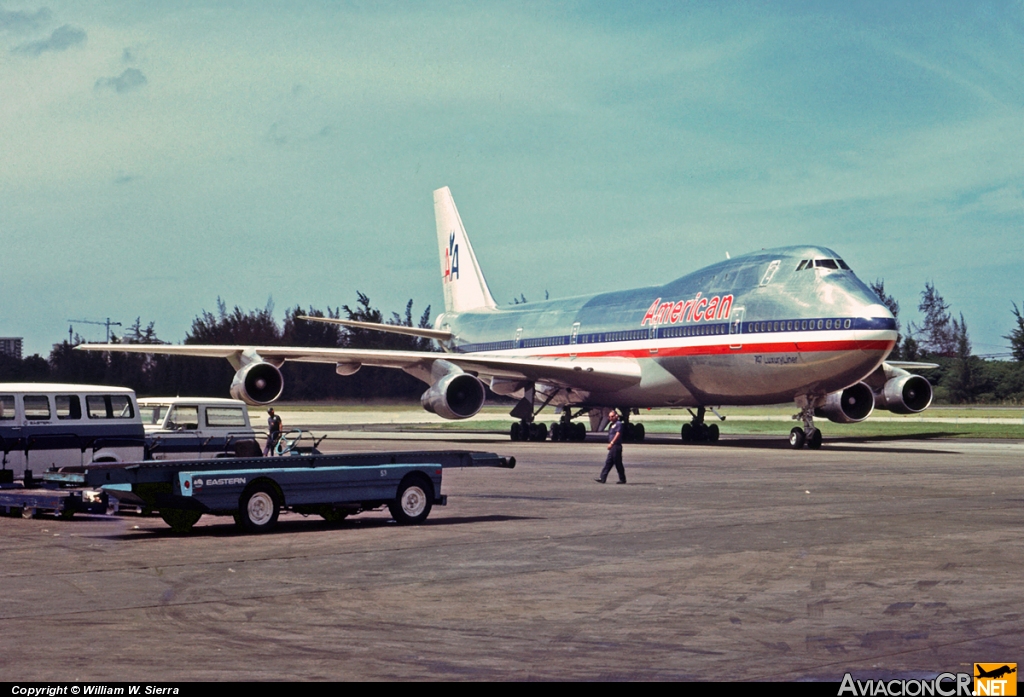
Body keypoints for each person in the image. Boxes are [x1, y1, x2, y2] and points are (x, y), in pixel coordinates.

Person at [595, 409, 626, 484]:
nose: (610, 418)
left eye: (612, 416)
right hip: (613, 447)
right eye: (609, 417)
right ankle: (602, 478)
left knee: (618, 463)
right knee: (608, 462)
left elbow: (618, 434)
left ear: (616, 416)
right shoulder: (612, 425)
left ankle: (622, 479)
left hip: (616, 446)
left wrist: (612, 443)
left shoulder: (619, 424)